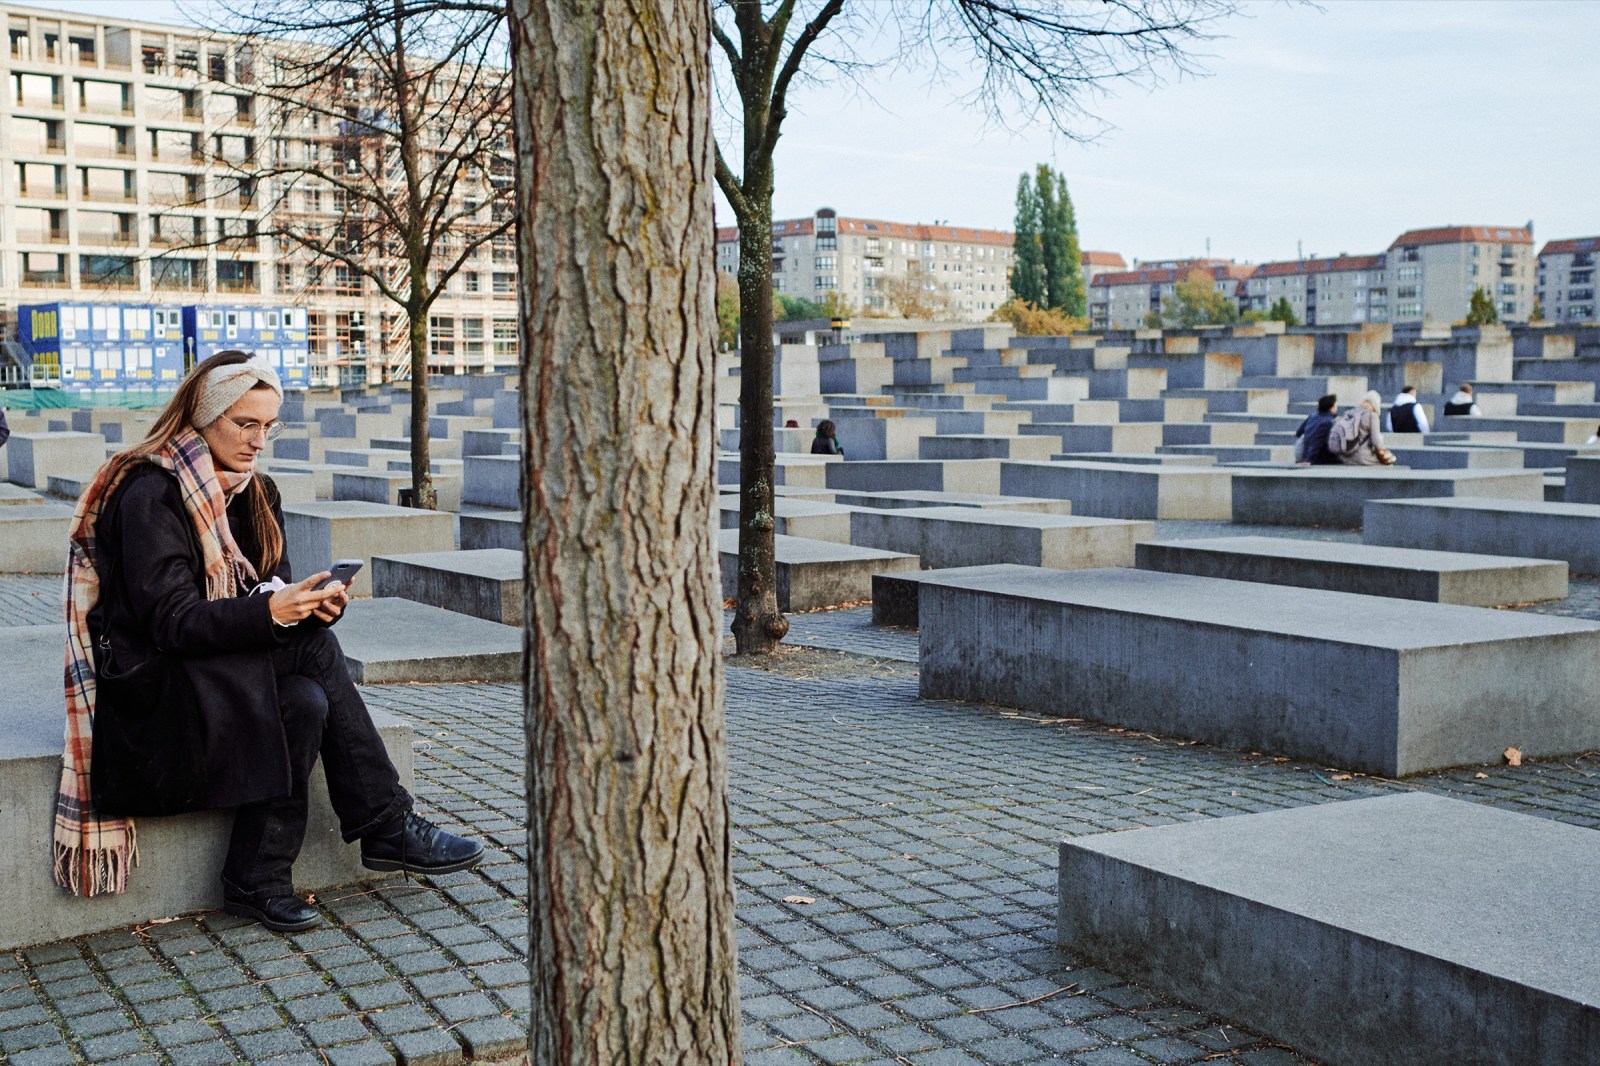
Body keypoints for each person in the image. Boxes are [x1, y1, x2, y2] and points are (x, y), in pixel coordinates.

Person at [55, 350, 481, 932]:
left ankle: (255, 881)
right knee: (313, 655)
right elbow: (172, 623)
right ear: (202, 418)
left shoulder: (257, 493)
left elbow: (270, 593)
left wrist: (314, 607)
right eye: (245, 424)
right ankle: (385, 823)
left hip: (218, 669)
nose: (258, 440)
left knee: (306, 698)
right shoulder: (150, 493)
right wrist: (276, 616)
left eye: (269, 426)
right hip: (154, 684)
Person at [1334, 390, 1393, 466]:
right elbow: (1376, 441)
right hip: (1362, 457)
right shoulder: (1372, 416)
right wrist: (1384, 452)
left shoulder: (1349, 413)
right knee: (1389, 463)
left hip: (1344, 457)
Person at [1294, 394, 1340, 465]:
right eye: (1336, 406)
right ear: (1332, 408)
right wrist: (1308, 460)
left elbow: (1298, 433)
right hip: (1318, 458)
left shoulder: (1312, 416)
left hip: (1305, 455)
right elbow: (1317, 442)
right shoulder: (1328, 422)